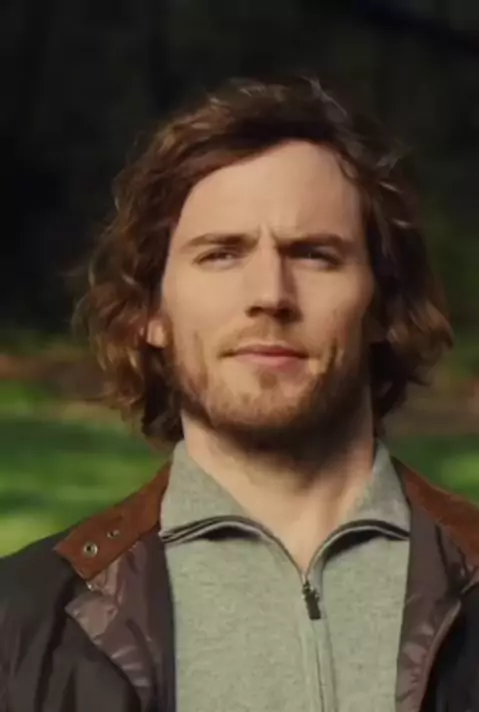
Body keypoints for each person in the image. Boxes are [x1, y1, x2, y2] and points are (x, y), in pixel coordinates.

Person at [1, 75, 478, 712]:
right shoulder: (23, 625)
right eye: (222, 254)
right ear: (152, 312)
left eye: (314, 254)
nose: (270, 295)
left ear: (381, 305)